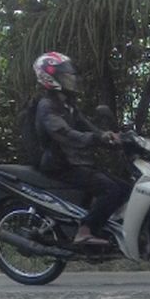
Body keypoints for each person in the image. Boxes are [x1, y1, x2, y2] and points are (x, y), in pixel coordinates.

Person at [32, 52, 128, 246]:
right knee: (111, 189)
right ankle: (85, 231)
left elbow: (87, 126)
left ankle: (106, 228)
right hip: (60, 165)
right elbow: (65, 133)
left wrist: (109, 136)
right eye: (66, 76)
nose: (72, 80)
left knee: (125, 188)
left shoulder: (67, 104)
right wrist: (95, 138)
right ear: (50, 78)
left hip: (74, 161)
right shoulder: (47, 106)